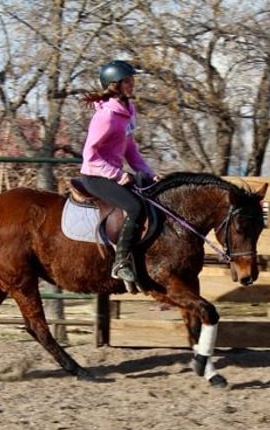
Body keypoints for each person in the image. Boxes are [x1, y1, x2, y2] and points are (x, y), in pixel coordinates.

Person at [80, 59, 159, 284]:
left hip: (113, 173)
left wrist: (149, 173)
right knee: (135, 207)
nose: (132, 83)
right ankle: (121, 262)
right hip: (95, 176)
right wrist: (117, 175)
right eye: (127, 80)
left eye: (132, 79)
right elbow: (90, 156)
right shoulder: (105, 117)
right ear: (115, 84)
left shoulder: (128, 112)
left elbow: (131, 150)